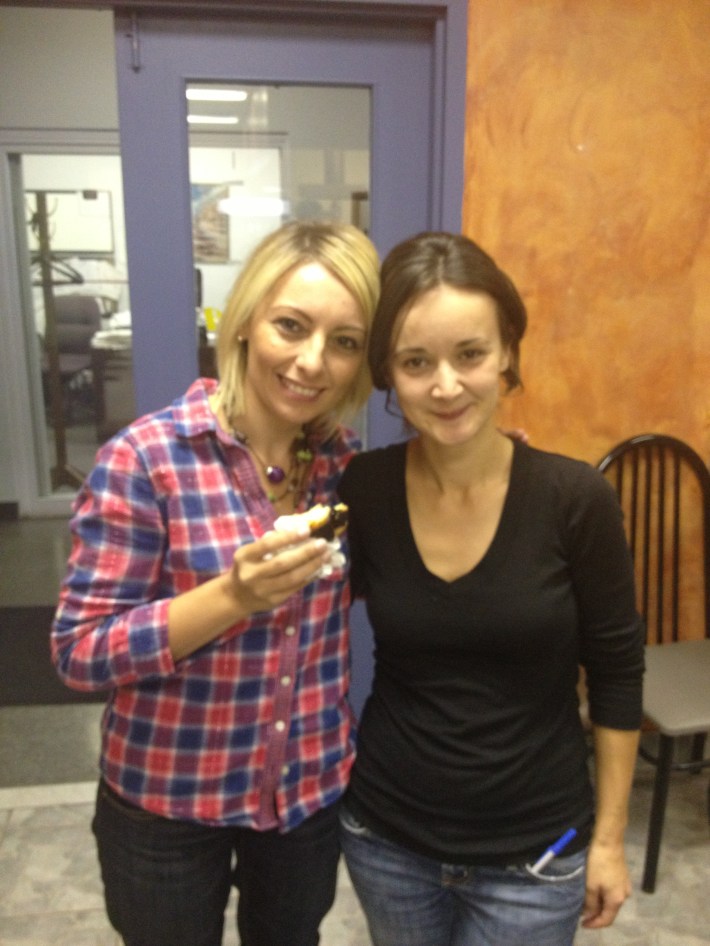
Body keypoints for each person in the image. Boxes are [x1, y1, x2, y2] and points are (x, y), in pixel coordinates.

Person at [50, 220, 380, 946]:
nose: (313, 361)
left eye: (345, 341)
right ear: (245, 323)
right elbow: (79, 651)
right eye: (290, 326)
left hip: (303, 795)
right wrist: (233, 597)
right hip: (167, 801)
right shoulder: (147, 460)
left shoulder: (345, 466)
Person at [337, 231, 645, 946]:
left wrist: (608, 838)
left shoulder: (575, 499)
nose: (446, 386)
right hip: (386, 839)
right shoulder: (365, 490)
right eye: (417, 362)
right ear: (388, 373)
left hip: (536, 855)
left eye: (469, 354)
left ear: (507, 351)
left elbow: (618, 672)